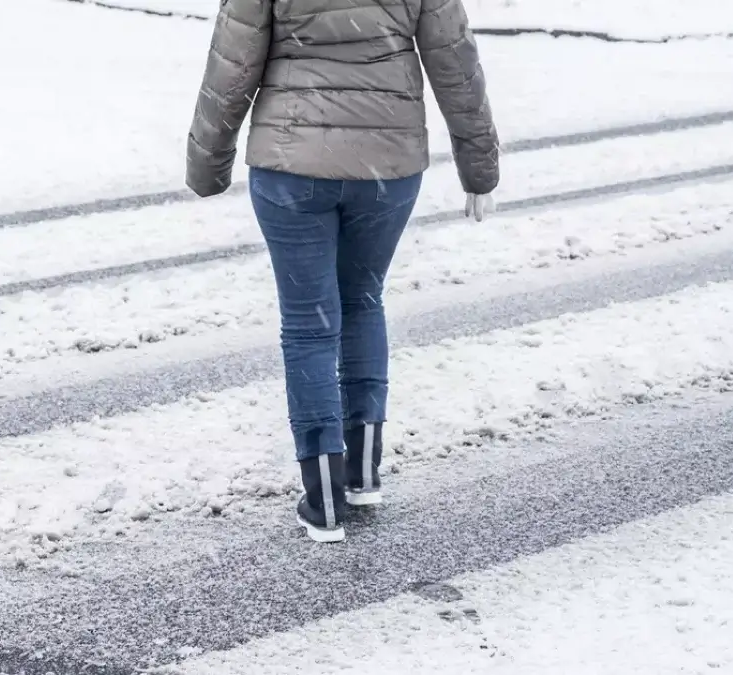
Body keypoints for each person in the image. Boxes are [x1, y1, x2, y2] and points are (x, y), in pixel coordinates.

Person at [186, 0, 499, 543]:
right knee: (362, 301)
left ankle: (324, 498)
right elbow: (455, 60)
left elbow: (232, 62)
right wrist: (480, 166)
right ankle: (362, 473)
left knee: (309, 324)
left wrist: (207, 162)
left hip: (292, 166)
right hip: (388, 165)